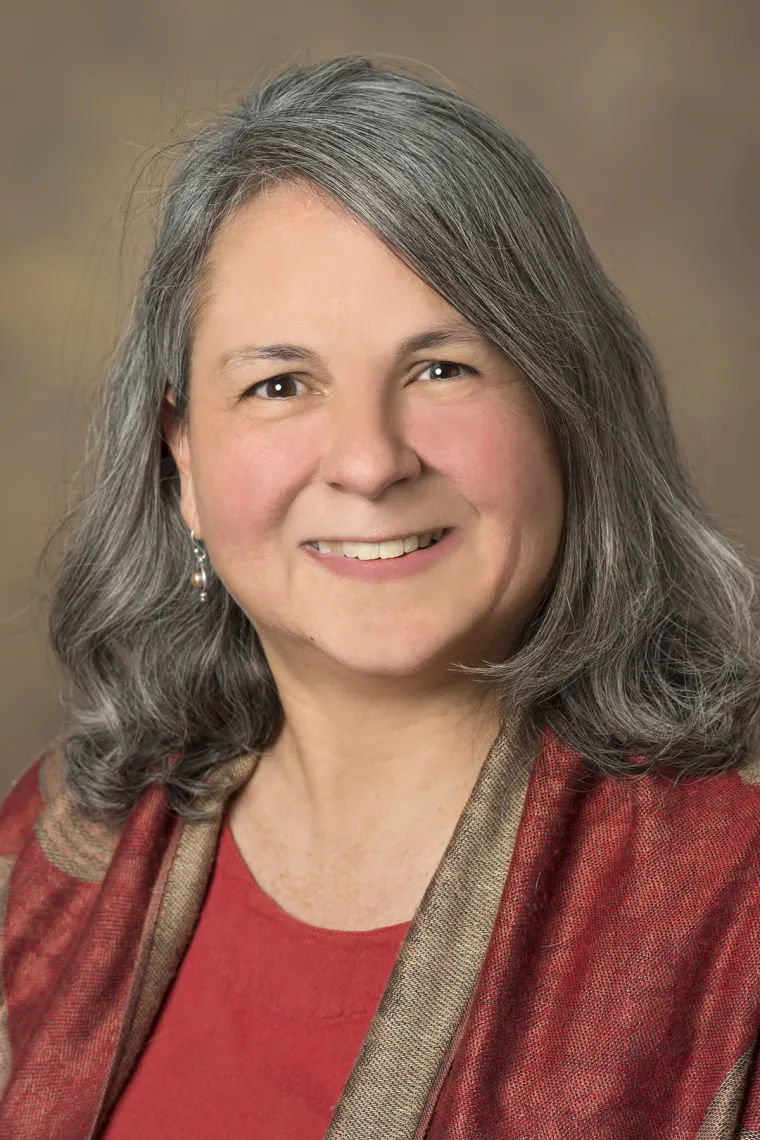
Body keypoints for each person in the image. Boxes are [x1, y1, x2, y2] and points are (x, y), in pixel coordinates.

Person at [1, 53, 759, 1140]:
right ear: (184, 467)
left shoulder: (734, 892)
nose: (367, 460)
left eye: (441, 368)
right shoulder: (59, 845)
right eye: (278, 384)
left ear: (564, 409)